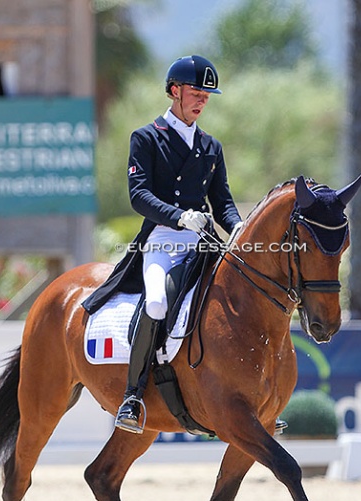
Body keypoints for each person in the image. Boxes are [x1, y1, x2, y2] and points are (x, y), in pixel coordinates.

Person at [83, 55, 242, 434]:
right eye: (195, 92)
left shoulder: (210, 146)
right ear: (174, 91)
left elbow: (222, 202)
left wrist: (238, 227)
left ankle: (251, 394)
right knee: (156, 302)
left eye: (207, 95)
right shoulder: (147, 137)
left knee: (239, 297)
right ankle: (133, 396)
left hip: (203, 240)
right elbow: (138, 196)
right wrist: (179, 217)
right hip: (164, 239)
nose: (202, 100)